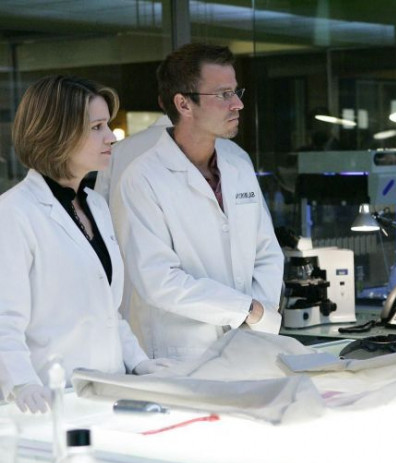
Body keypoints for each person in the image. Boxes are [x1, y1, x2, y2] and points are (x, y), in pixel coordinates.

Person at [0, 75, 172, 414]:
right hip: (48, 402)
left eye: (107, 125)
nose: (111, 137)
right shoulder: (13, 212)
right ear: (56, 132)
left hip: (108, 393)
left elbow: (108, 312)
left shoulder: (96, 205)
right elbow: (4, 319)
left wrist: (139, 362)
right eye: (96, 127)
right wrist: (22, 384)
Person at [110, 43, 284, 361]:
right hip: (182, 354)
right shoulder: (142, 178)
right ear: (184, 104)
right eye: (224, 94)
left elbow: (266, 252)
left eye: (236, 91)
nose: (238, 104)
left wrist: (258, 316)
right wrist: (245, 309)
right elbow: (158, 280)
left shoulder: (238, 161)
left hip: (249, 342)